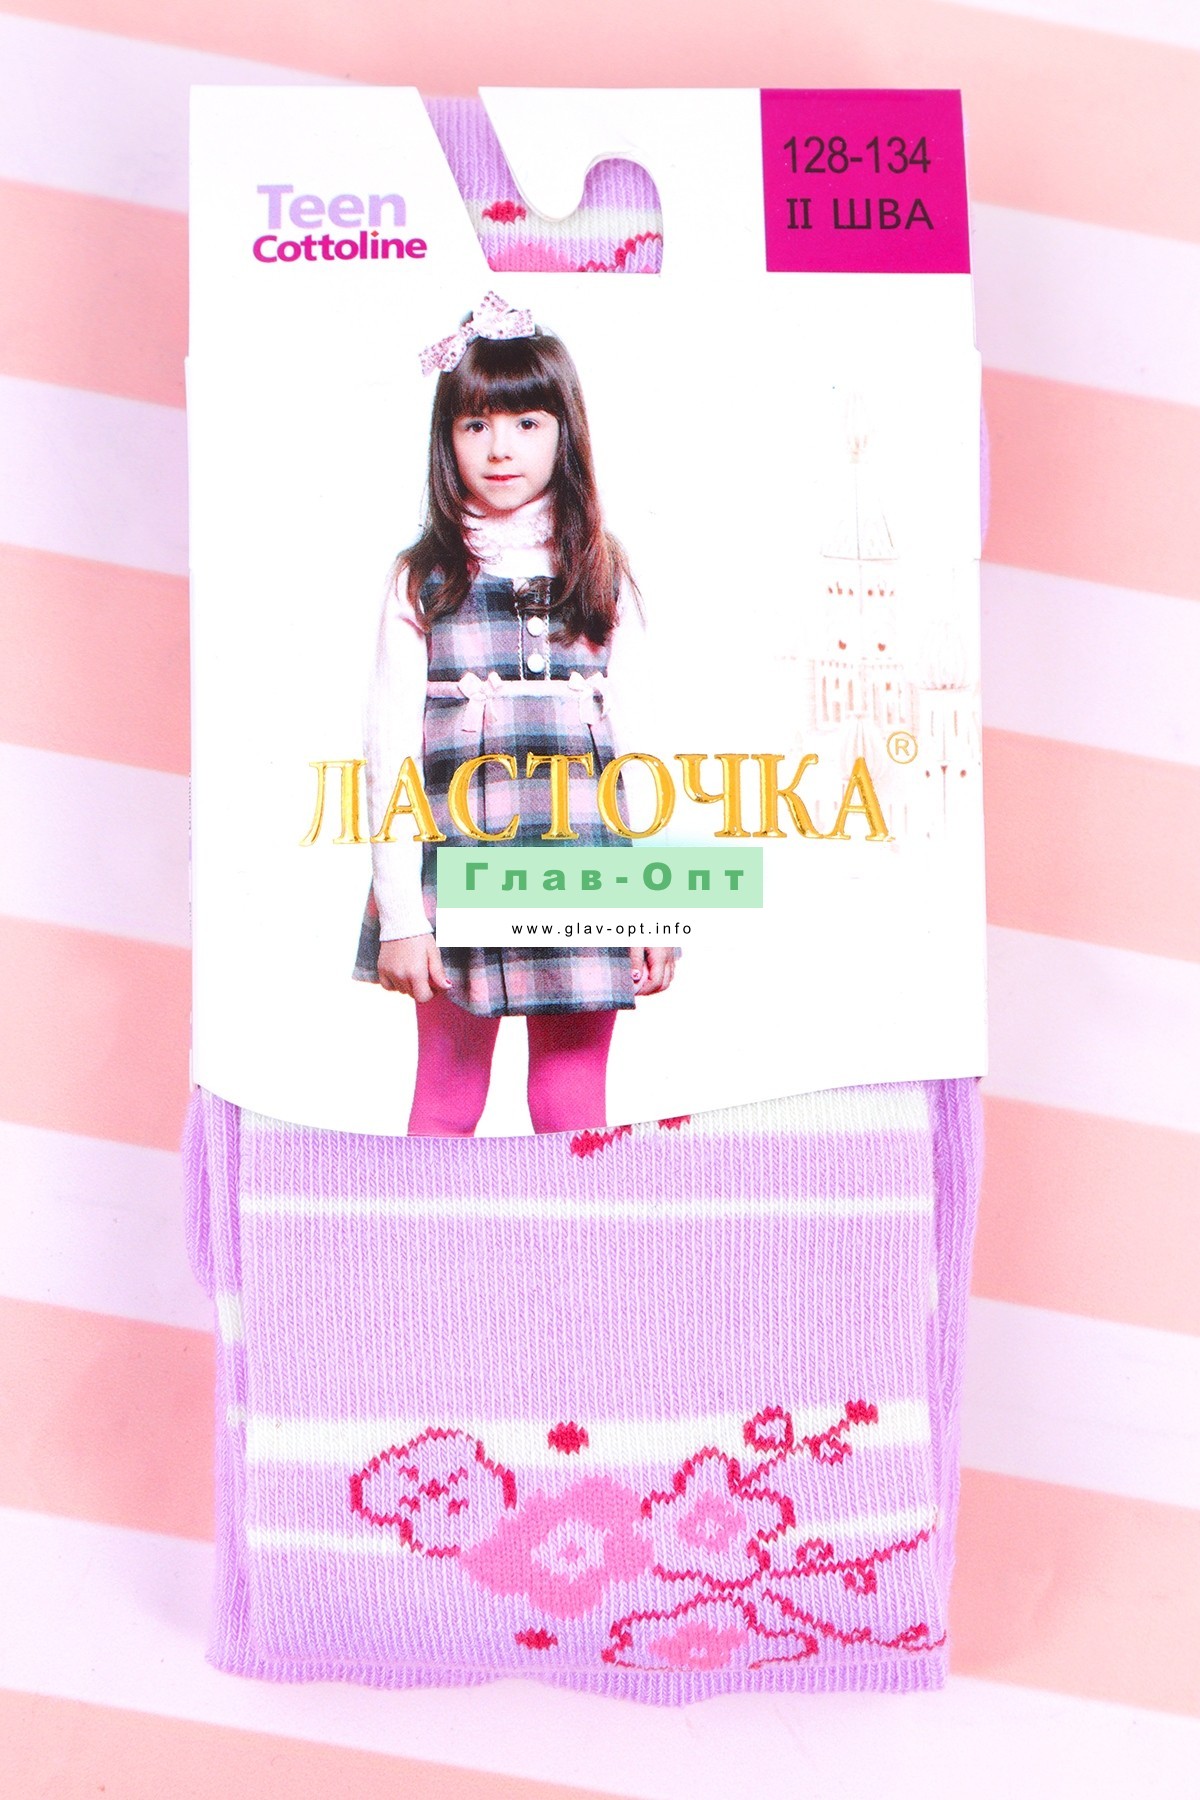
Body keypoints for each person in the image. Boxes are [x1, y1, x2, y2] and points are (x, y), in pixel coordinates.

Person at [353, 293, 676, 1135]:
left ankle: (575, 1232)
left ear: (564, 432)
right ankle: (426, 1232)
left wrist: (655, 904)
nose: (501, 448)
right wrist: (402, 915)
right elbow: (389, 758)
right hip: (457, 870)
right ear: (447, 438)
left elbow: (643, 750)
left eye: (527, 423)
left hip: (586, 873)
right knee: (448, 1099)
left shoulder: (601, 573)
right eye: (476, 425)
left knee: (572, 1107)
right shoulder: (422, 581)